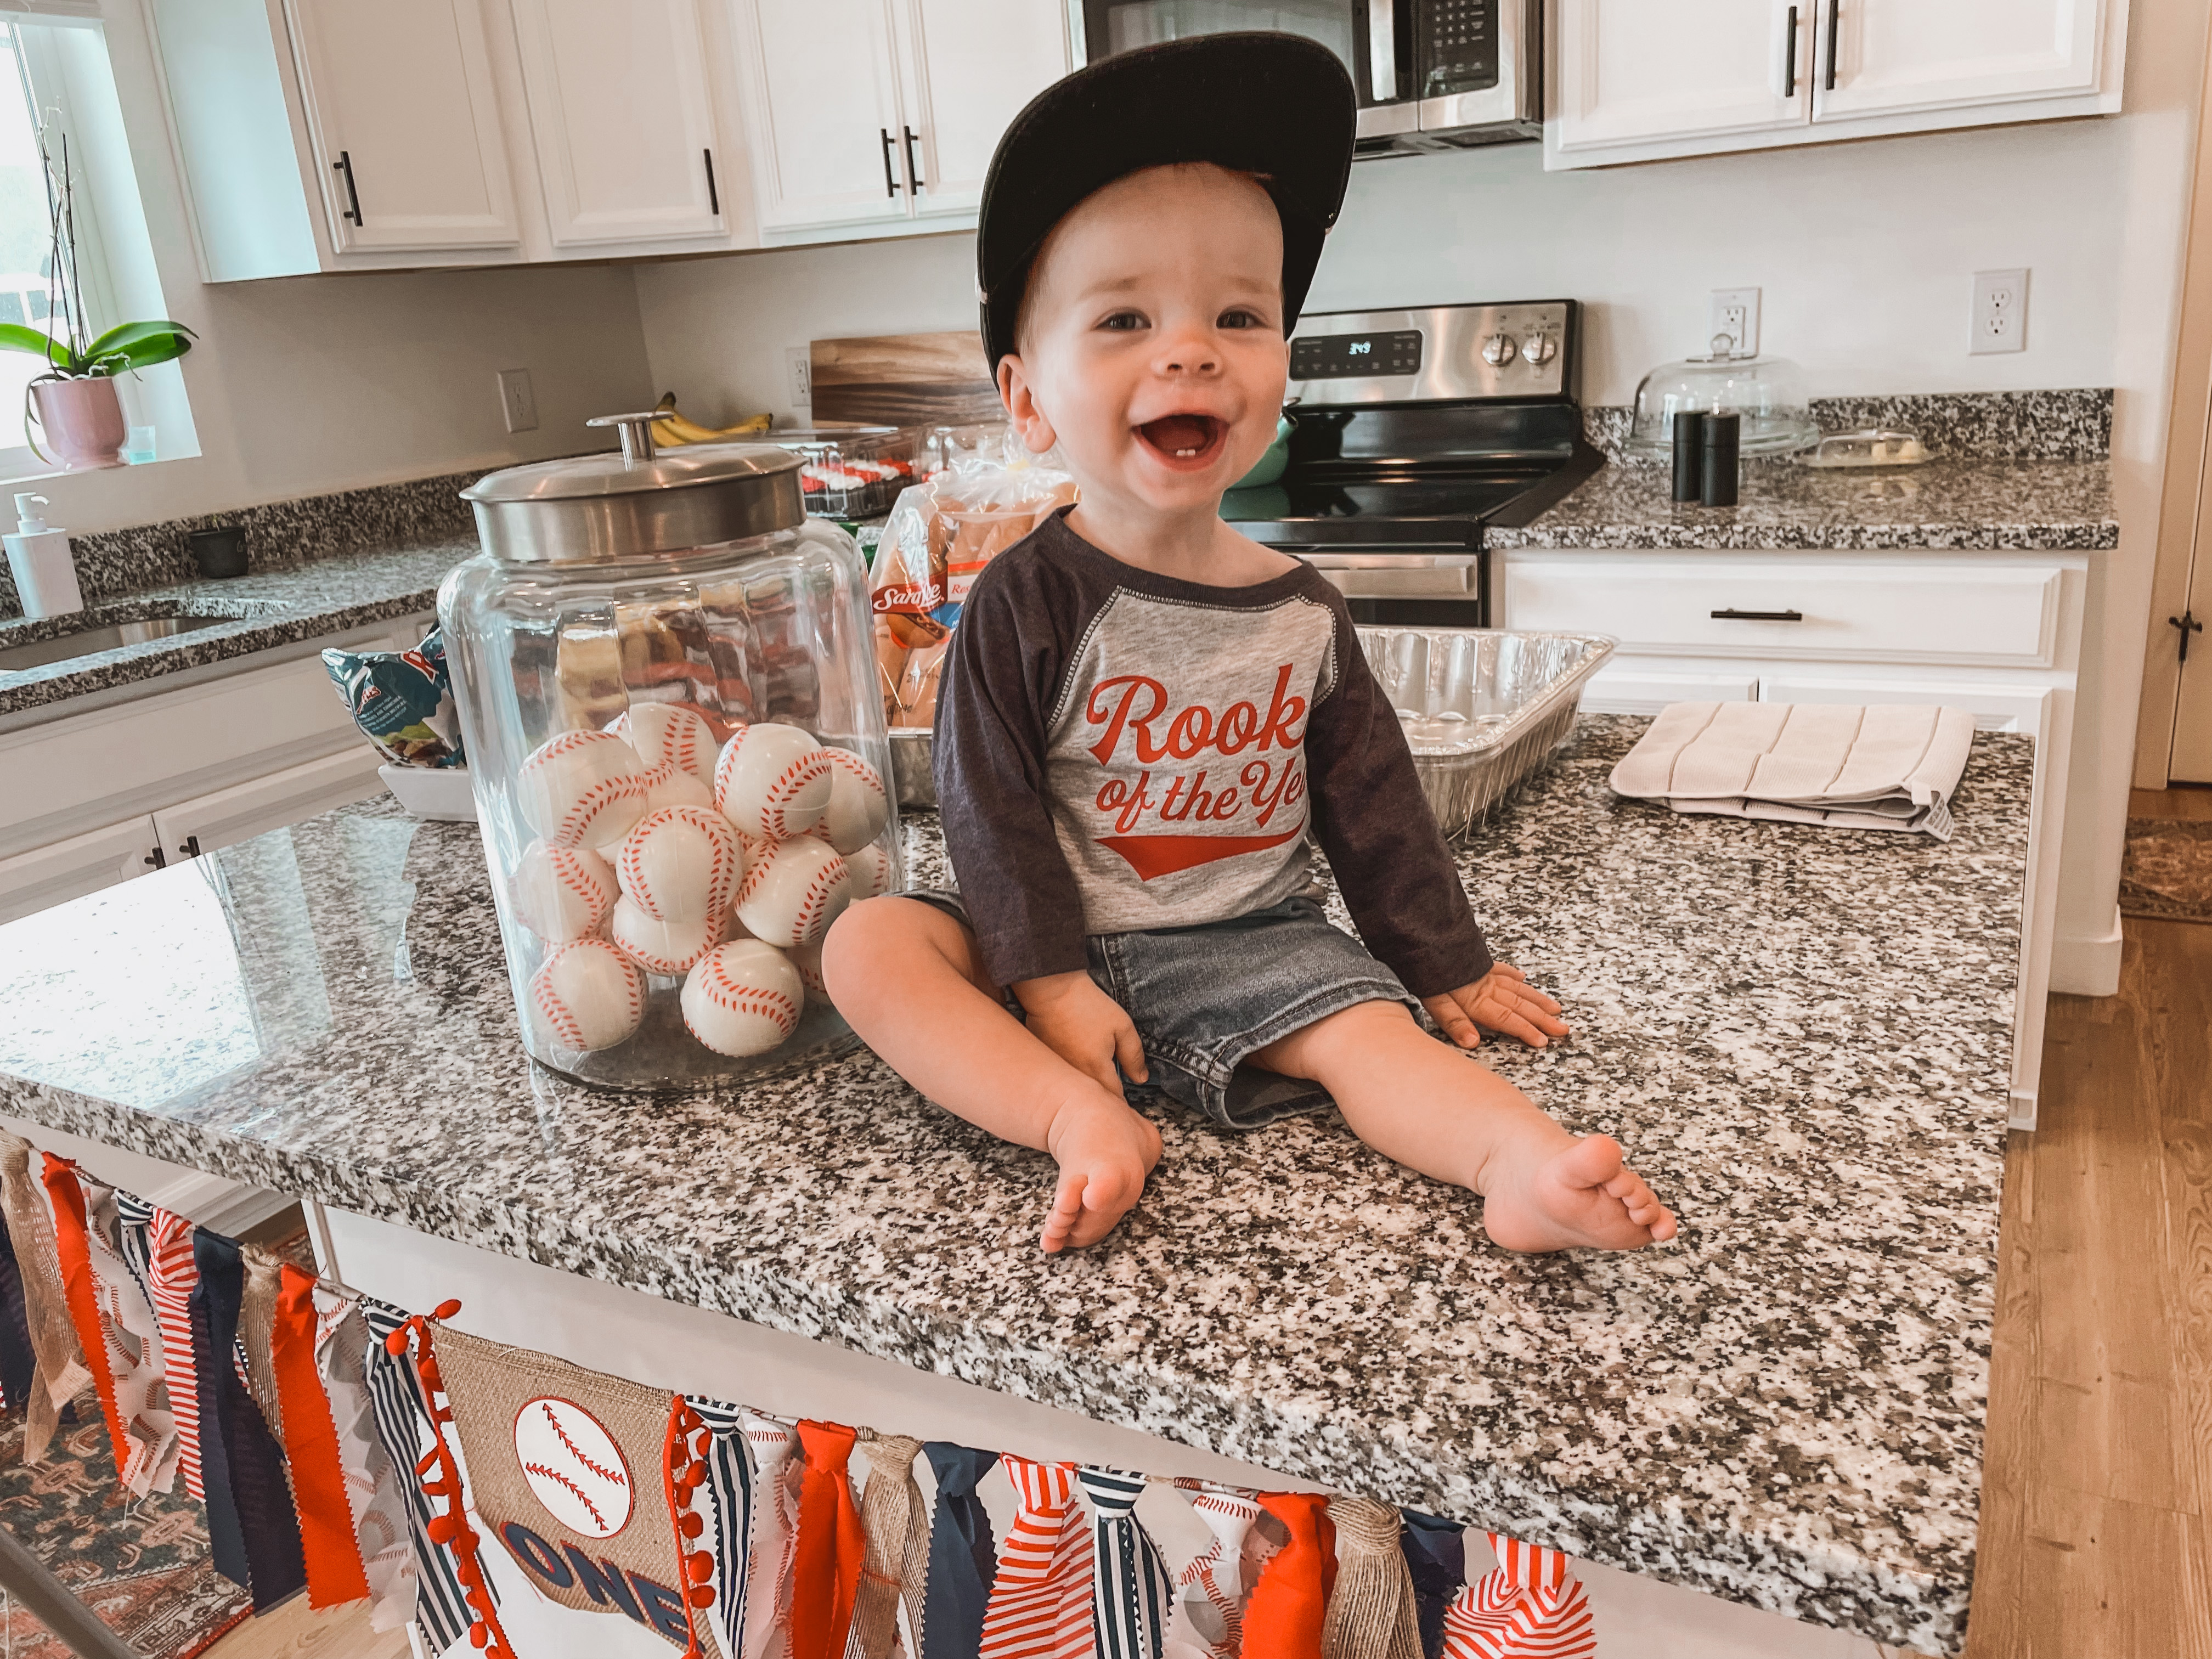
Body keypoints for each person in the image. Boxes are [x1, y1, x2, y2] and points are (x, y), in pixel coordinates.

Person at [823, 33, 1675, 1257]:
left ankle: (1519, 1168)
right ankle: (1075, 1119)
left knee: (1374, 1038)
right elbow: (986, 806)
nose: (1190, 348)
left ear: (1282, 364)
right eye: (1124, 318)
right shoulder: (1025, 597)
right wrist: (1051, 981)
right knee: (871, 945)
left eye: (1238, 313)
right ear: (1027, 400)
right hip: (1037, 939)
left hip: (1252, 944)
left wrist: (1444, 959)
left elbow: (1373, 804)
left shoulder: (1301, 608)